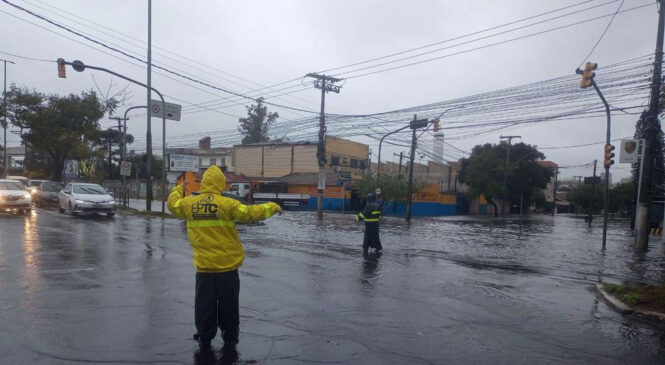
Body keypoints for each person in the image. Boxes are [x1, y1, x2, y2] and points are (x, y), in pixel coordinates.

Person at [167, 165, 282, 352]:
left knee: (204, 305)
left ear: (204, 183)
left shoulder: (189, 204)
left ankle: (205, 337)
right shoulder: (228, 204)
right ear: (220, 183)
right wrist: (273, 206)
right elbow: (251, 213)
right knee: (229, 306)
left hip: (204, 269)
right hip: (227, 268)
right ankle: (230, 340)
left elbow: (173, 205)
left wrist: (179, 188)